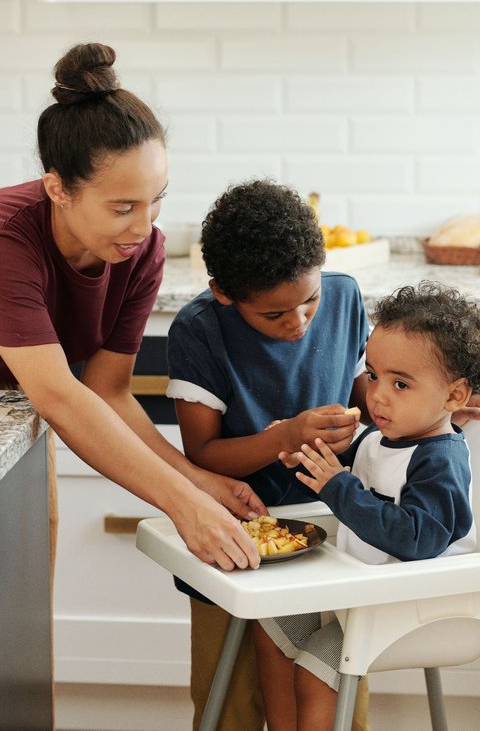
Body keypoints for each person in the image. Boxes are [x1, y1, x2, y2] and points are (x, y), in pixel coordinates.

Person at [0, 42, 266, 594]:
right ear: (58, 189)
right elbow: (58, 396)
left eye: (156, 200)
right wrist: (183, 504)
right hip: (29, 405)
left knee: (19, 608)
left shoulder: (139, 251)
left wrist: (196, 482)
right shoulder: (9, 242)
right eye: (122, 207)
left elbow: (106, 391)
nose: (143, 227)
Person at [166, 180, 372, 731]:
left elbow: (372, 408)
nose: (299, 322)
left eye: (310, 300)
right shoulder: (199, 330)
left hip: (334, 536)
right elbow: (202, 455)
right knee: (230, 702)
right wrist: (282, 438)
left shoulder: (346, 297)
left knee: (335, 699)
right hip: (232, 539)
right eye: (275, 315)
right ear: (224, 293)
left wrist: (361, 429)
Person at [253, 281, 480, 731]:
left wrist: (336, 486)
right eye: (373, 375)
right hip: (365, 595)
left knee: (317, 670)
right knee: (272, 624)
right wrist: (305, 457)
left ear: (454, 397)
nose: (376, 395)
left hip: (418, 609)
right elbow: (349, 482)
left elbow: (418, 538)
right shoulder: (380, 439)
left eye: (400, 384)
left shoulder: (441, 460)